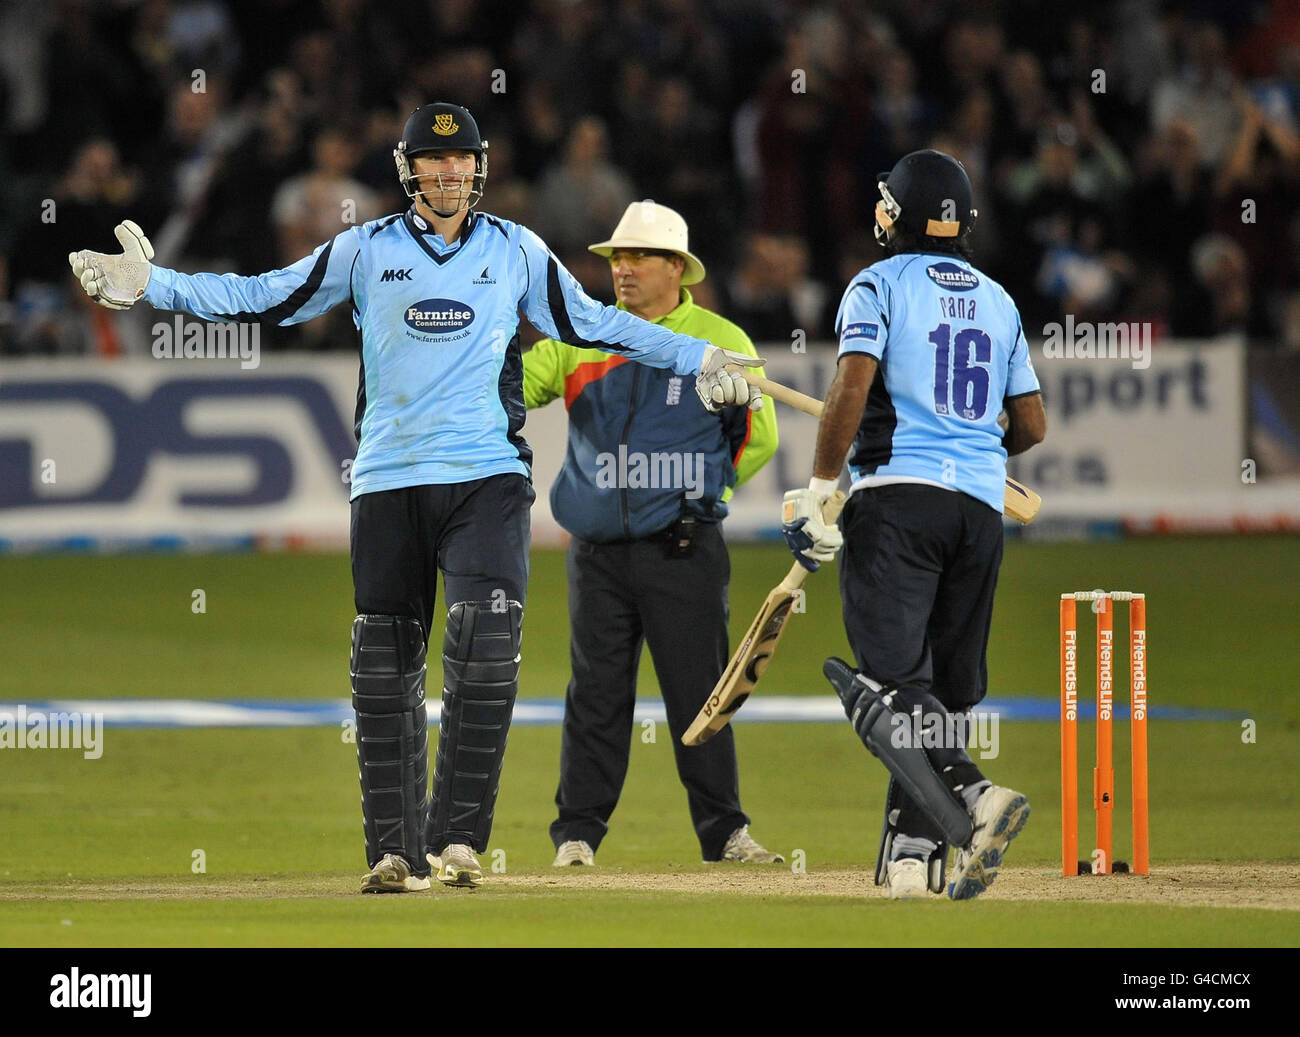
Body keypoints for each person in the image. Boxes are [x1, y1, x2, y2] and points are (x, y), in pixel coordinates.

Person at [67, 102, 763, 894]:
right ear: (408, 171)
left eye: (460, 162)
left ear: (479, 168)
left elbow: (603, 324)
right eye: (433, 164)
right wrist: (153, 283)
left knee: (486, 647)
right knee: (383, 666)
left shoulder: (516, 251)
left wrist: (699, 355)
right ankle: (394, 853)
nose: (447, 175)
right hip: (388, 477)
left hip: (487, 477)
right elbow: (262, 296)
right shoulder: (364, 250)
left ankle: (459, 842)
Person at [779, 150, 1047, 900]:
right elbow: (1031, 422)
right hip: (979, 512)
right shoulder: (999, 300)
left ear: (897, 213)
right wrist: (976, 443)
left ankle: (974, 792)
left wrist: (820, 490)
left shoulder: (877, 284)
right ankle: (910, 854)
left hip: (899, 501)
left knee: (892, 686)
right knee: (942, 694)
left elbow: (851, 390)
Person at [522, 201, 782, 867]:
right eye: (615, 258)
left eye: (637, 257)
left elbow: (760, 436)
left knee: (703, 693)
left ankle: (725, 832)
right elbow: (517, 388)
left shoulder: (719, 342)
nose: (622, 269)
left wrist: (706, 494)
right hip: (598, 551)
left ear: (676, 269)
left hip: (685, 547)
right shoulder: (581, 335)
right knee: (596, 694)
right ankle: (576, 834)